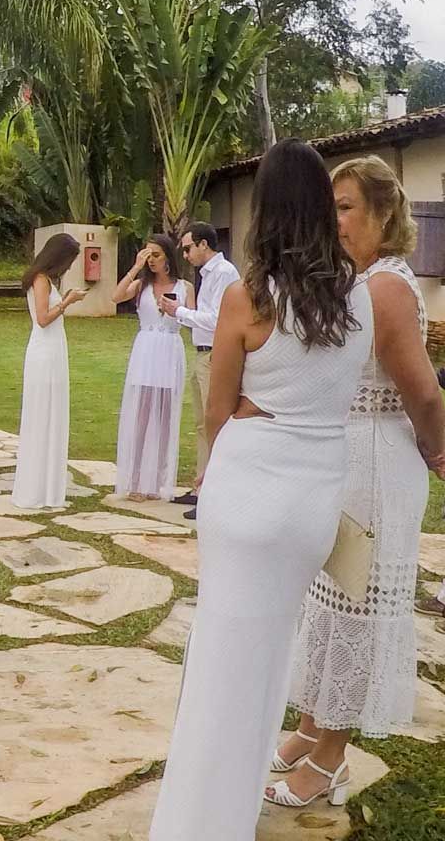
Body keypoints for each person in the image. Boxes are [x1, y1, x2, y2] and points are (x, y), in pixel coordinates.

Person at [147, 139, 375, 840]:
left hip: (249, 489)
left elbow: (219, 411)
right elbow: (330, 391)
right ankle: (231, 809)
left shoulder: (250, 297)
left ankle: (196, 820)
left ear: (267, 211)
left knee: (221, 659)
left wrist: (252, 411)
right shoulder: (357, 296)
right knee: (267, 659)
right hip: (313, 499)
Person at [266, 155, 445, 808]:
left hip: (377, 463)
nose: (334, 220)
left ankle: (332, 759)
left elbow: (423, 392)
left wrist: (437, 449)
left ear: (383, 212)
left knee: (356, 609)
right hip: (348, 461)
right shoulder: (360, 279)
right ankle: (312, 728)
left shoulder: (387, 287)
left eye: (345, 207)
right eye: (331, 207)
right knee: (329, 599)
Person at [113, 235, 193, 502]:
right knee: (142, 415)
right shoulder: (141, 285)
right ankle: (135, 480)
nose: (152, 260)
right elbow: (116, 296)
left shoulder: (184, 287)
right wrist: (135, 267)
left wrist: (177, 311)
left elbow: (193, 320)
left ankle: (156, 481)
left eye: (156, 255)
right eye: (148, 255)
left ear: (168, 257)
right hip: (146, 349)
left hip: (170, 349)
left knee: (165, 418)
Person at [166, 221, 238, 515]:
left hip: (215, 354)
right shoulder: (207, 274)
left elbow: (218, 319)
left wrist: (180, 312)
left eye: (188, 249)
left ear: (203, 244)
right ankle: (200, 488)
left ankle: (213, 493)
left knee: (215, 423)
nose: (185, 255)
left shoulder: (223, 273)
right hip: (202, 353)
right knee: (201, 424)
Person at [13, 234, 85, 510]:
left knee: (52, 411)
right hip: (44, 350)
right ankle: (36, 488)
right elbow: (42, 319)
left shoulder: (47, 280)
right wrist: (67, 302)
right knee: (42, 413)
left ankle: (48, 486)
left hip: (54, 348)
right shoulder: (40, 279)